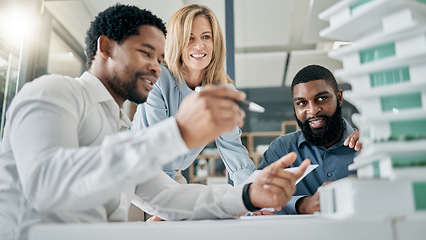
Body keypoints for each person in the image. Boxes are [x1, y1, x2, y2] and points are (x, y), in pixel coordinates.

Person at [0, 4, 310, 240]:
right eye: (146, 53)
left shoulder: (119, 128)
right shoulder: (52, 92)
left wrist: (249, 195)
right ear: (106, 48)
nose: (156, 67)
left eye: (159, 57)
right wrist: (177, 132)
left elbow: (168, 196)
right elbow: (47, 184)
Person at [132, 4, 255, 186]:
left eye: (206, 37)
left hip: (171, 175)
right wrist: (164, 205)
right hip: (135, 172)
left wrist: (252, 192)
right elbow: (159, 148)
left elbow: (233, 148)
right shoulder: (157, 78)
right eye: (189, 38)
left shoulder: (223, 91)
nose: (199, 45)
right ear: (177, 42)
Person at [255, 64, 362, 215]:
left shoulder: (366, 145)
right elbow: (256, 199)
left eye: (322, 98)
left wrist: (379, 147)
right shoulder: (281, 150)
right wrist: (302, 205)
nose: (312, 110)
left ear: (339, 97)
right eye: (302, 103)